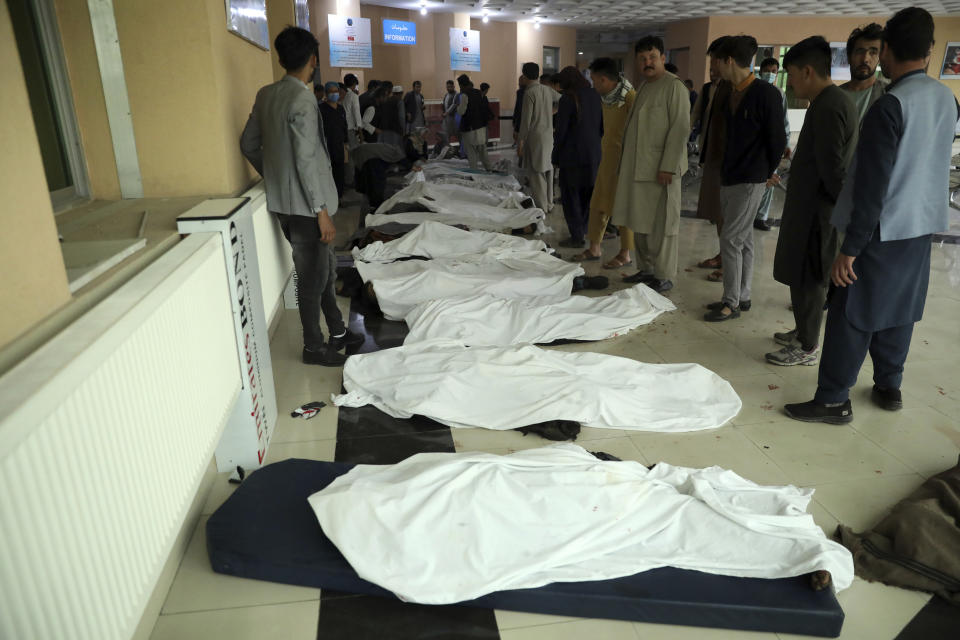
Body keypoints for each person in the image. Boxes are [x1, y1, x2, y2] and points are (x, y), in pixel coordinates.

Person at [785, 7, 960, 423]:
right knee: (899, 309)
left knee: (852, 313)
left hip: (882, 229)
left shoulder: (890, 106)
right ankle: (888, 385)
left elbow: (872, 185)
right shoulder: (946, 99)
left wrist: (851, 247)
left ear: (886, 53)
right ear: (931, 49)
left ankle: (831, 399)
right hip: (922, 226)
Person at [239, 27, 361, 366]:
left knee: (323, 269)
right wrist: (320, 210)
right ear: (312, 60)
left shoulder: (266, 94)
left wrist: (278, 179)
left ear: (280, 59)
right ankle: (313, 347)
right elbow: (306, 159)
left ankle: (336, 330)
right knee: (311, 279)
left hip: (288, 205)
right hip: (309, 208)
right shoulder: (302, 100)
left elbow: (248, 144)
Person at [766, 37, 858, 367]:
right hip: (810, 208)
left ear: (807, 71)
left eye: (790, 74)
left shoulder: (831, 105)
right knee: (801, 275)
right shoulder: (827, 101)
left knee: (810, 279)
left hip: (819, 214)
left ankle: (807, 346)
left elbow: (834, 170)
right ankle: (802, 330)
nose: (789, 82)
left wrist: (836, 215)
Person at [703, 35, 786, 321]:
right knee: (744, 238)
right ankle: (743, 295)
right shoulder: (731, 91)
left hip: (751, 179)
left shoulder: (766, 94)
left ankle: (731, 303)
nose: (713, 67)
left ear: (728, 60)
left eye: (715, 61)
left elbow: (777, 139)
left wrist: (767, 172)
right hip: (730, 175)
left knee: (730, 239)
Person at [611, 36, 690, 294]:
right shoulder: (644, 86)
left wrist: (668, 165)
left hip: (661, 172)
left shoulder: (674, 87)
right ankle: (646, 270)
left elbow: (679, 130)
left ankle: (664, 275)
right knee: (641, 225)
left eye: (652, 57)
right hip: (638, 170)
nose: (647, 62)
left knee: (662, 228)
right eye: (643, 59)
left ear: (663, 58)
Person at [570, 57, 636, 266]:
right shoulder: (605, 98)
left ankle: (625, 253)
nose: (593, 84)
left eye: (595, 80)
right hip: (606, 159)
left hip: (624, 162)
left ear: (605, 80)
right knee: (598, 204)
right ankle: (594, 248)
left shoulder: (630, 98)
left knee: (622, 208)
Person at [691, 38, 733, 282]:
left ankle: (729, 263)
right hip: (710, 157)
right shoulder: (709, 89)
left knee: (729, 216)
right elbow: (694, 116)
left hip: (728, 163)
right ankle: (722, 255)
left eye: (716, 60)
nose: (713, 65)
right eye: (711, 61)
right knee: (717, 213)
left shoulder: (736, 90)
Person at [552, 66, 603, 248]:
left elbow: (561, 132)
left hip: (572, 157)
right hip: (593, 155)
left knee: (570, 196)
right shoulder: (595, 95)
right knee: (587, 196)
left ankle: (576, 236)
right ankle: (583, 230)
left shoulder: (568, 99)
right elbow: (601, 127)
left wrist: (555, 156)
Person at [753, 56, 792, 232]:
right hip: (755, 145)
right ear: (760, 72)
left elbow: (784, 121)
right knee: (754, 181)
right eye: (767, 71)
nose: (770, 74)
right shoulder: (753, 91)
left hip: (772, 144)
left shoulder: (779, 94)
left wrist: (785, 142)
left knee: (771, 179)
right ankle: (749, 214)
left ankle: (761, 217)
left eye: (774, 71)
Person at [518, 62, 555, 213]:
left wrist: (520, 142)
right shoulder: (547, 89)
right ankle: (550, 204)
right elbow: (564, 100)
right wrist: (551, 112)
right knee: (548, 170)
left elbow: (526, 121)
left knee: (536, 173)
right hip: (548, 135)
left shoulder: (529, 93)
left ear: (524, 76)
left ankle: (541, 207)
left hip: (535, 137)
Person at [840, 23, 889, 123]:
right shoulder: (835, 96)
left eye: (873, 52)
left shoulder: (888, 94)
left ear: (879, 58)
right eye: (860, 51)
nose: (865, 59)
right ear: (849, 57)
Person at [317, 80, 348, 201]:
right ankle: (329, 199)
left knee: (340, 174)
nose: (334, 94)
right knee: (328, 174)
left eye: (336, 91)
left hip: (339, 147)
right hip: (326, 147)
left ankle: (339, 197)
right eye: (331, 92)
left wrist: (346, 144)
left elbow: (344, 127)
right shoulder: (321, 109)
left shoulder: (340, 109)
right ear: (326, 93)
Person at [455, 74, 493, 171]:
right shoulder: (479, 92)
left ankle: (474, 172)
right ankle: (489, 169)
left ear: (461, 85)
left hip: (469, 129)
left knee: (471, 153)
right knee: (483, 150)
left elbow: (461, 111)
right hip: (481, 127)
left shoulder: (464, 95)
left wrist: (457, 107)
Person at [342, 73, 363, 149]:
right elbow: (356, 114)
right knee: (354, 151)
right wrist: (360, 131)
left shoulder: (342, 94)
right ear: (354, 83)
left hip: (342, 127)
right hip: (350, 128)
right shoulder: (353, 96)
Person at [441, 79, 458, 152]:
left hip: (454, 118)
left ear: (454, 86)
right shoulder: (446, 95)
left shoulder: (456, 95)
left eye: (450, 87)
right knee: (446, 135)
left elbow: (453, 105)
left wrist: (446, 113)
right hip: (446, 118)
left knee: (458, 135)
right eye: (448, 87)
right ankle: (447, 151)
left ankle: (463, 152)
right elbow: (444, 105)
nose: (449, 88)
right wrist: (444, 113)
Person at [513, 74, 527, 151]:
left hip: (523, 122)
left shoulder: (523, 92)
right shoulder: (519, 92)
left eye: (520, 81)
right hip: (520, 122)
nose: (519, 83)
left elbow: (519, 109)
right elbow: (517, 107)